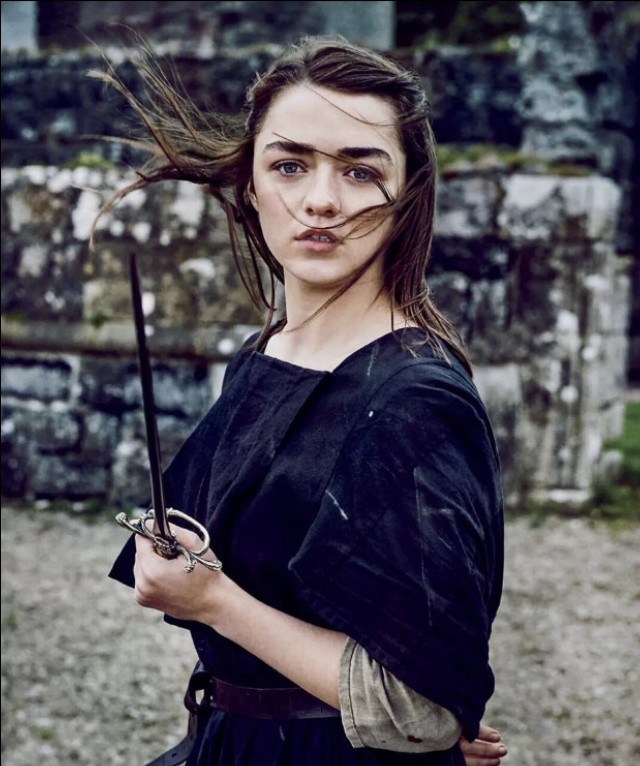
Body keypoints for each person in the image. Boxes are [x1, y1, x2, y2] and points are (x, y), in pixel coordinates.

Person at [95, 34, 508, 766]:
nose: (321, 200)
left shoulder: (415, 401)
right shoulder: (264, 354)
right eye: (290, 165)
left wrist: (213, 600)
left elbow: (417, 711)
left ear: (408, 194)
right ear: (253, 186)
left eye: (360, 170)